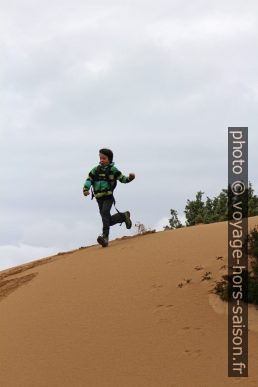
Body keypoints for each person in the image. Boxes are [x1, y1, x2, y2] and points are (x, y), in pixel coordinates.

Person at [83, 148, 135, 247]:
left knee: (104, 213)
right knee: (107, 219)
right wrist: (86, 189)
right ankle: (123, 216)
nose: (102, 160)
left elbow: (122, 178)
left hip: (108, 197)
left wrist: (130, 178)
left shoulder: (113, 170)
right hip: (98, 198)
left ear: (109, 159)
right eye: (100, 158)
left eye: (104, 158)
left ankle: (105, 238)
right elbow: (89, 179)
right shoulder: (95, 170)